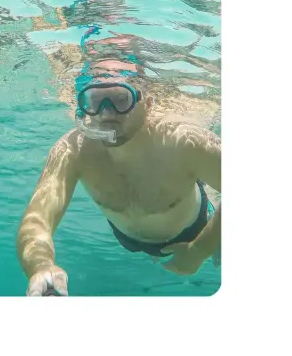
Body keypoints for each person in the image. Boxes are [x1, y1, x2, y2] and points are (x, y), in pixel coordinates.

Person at [15, 57, 221, 296]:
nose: (106, 114)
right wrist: (41, 267)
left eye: (121, 99)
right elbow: (37, 221)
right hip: (127, 238)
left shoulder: (184, 141)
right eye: (95, 101)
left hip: (194, 229)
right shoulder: (72, 150)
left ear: (148, 103)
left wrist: (199, 250)